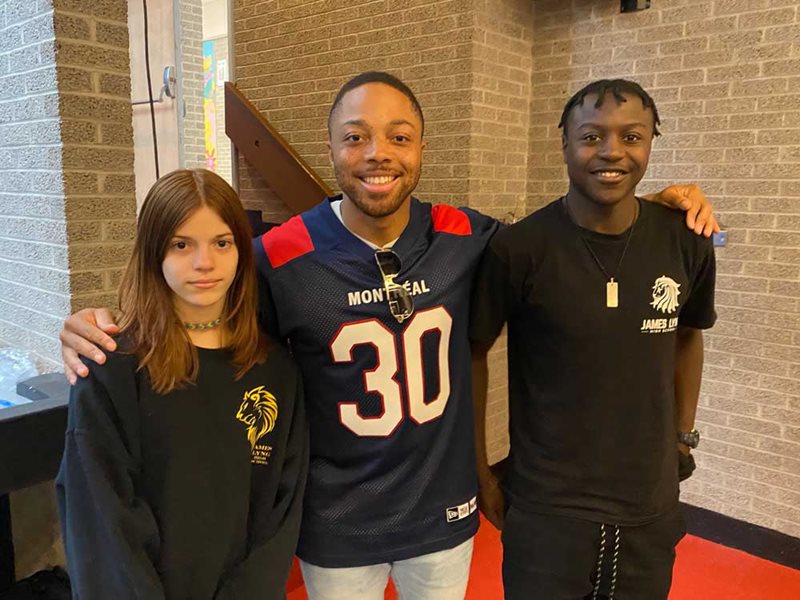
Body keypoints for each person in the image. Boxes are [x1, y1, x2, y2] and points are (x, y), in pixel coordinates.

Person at [59, 73, 717, 599]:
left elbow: (568, 233)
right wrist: (103, 327)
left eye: (399, 137)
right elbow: (204, 308)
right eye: (356, 137)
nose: (378, 153)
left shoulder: (471, 236)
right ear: (333, 149)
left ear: (421, 149)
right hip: (336, 526)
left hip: (443, 517)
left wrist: (654, 202)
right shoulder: (280, 255)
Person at [470, 79, 717, 600]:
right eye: (591, 136)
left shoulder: (685, 240)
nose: (611, 151)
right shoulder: (519, 250)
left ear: (651, 142)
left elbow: (689, 335)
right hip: (546, 510)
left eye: (631, 136)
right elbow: (473, 352)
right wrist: (480, 472)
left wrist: (683, 435)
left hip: (648, 503)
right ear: (564, 144)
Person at [56, 169, 308, 599]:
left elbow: (279, 517)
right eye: (181, 244)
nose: (204, 263)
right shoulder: (111, 367)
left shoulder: (276, 370)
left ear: (242, 253)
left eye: (222, 243)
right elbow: (100, 520)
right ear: (154, 252)